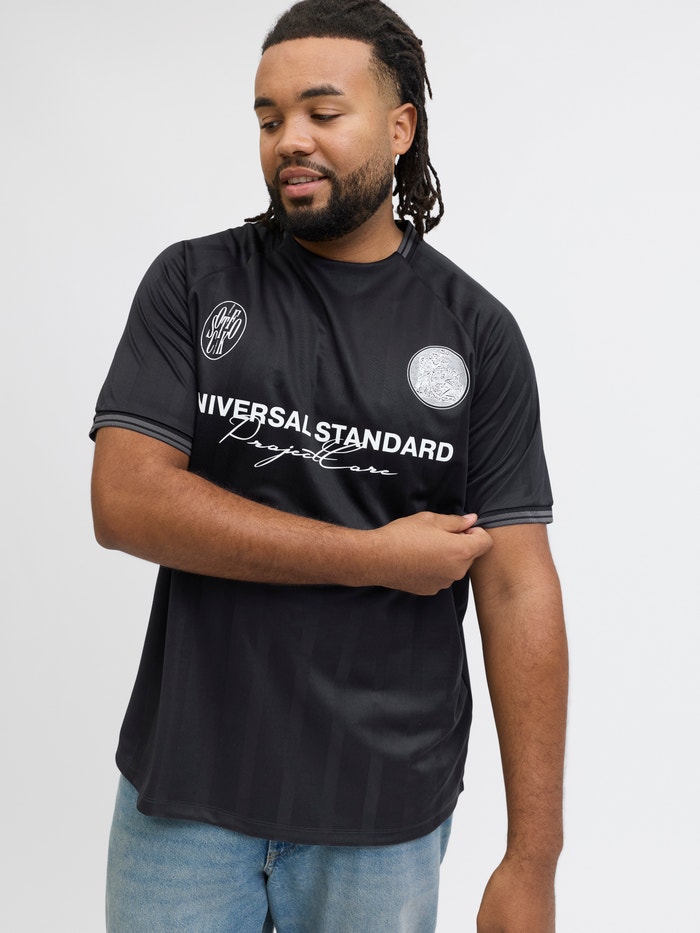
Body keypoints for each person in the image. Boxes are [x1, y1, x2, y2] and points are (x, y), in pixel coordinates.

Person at [90, 0, 568, 930]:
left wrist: (532, 857)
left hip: (383, 814)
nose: (290, 140)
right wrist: (373, 556)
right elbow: (127, 501)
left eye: (322, 111)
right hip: (184, 799)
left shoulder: (477, 333)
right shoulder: (192, 283)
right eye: (269, 118)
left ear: (400, 127)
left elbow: (518, 586)